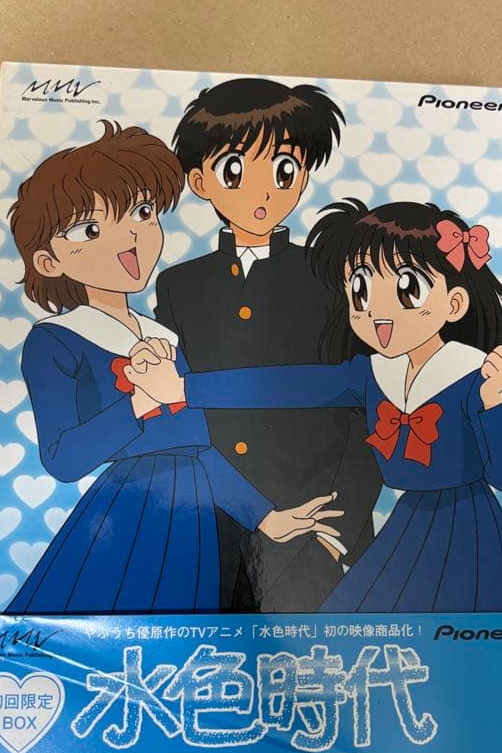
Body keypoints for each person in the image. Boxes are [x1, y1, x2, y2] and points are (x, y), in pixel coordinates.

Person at [3, 120, 342, 615]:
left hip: (197, 518)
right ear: (49, 262)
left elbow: (200, 447)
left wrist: (267, 518)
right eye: (91, 230)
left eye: (142, 213)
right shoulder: (55, 339)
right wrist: (140, 403)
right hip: (129, 511)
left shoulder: (164, 337)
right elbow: (61, 459)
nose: (129, 237)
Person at [138, 199, 502, 613]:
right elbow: (280, 387)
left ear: (454, 304)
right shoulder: (372, 373)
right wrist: (185, 388)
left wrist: (494, 401)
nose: (377, 312)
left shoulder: (472, 375)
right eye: (361, 290)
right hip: (409, 524)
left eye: (407, 290)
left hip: (469, 534)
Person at [155, 79, 382, 612]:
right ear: (200, 181)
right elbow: (172, 407)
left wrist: (338, 529)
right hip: (211, 518)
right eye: (235, 170)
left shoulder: (331, 278)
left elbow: (371, 407)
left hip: (316, 520)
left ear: (303, 176)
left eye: (283, 170)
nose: (263, 193)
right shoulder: (180, 284)